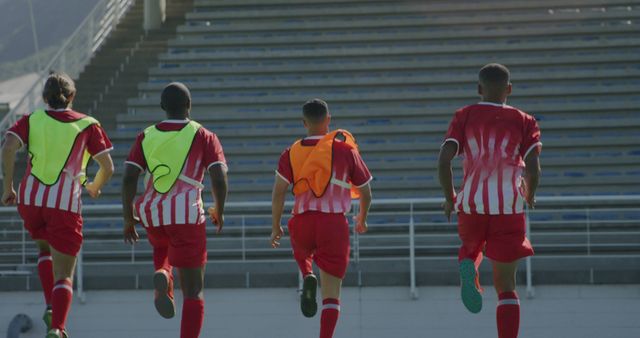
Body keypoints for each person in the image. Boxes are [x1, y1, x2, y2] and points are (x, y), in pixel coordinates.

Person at [2, 72, 114, 338]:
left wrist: (8, 186)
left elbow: (7, 147)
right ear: (72, 96)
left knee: (44, 248)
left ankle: (50, 305)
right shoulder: (87, 124)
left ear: (44, 98)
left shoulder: (33, 118)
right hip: (63, 203)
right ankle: (58, 328)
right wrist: (94, 186)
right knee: (65, 273)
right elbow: (108, 167)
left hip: (31, 200)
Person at [438, 63, 542, 338]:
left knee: (470, 248)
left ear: (479, 89)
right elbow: (534, 168)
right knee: (506, 286)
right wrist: (529, 195)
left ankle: (469, 267)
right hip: (508, 206)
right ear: (509, 89)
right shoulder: (525, 120)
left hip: (472, 203)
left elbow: (444, 160)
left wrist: (450, 198)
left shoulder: (465, 115)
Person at [121, 82, 228, 338]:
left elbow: (128, 178)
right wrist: (219, 210)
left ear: (162, 108)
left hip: (151, 212)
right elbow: (219, 177)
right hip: (186, 213)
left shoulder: (146, 135)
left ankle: (163, 274)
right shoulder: (204, 135)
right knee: (193, 292)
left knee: (162, 245)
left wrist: (128, 218)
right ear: (189, 106)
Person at [271, 98, 372, 338]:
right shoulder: (345, 150)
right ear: (328, 120)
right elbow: (366, 192)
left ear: (304, 122)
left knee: (301, 248)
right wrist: (362, 218)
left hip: (302, 220)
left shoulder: (290, 152)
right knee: (332, 295)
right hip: (333, 223)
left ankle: (307, 275)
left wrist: (275, 225)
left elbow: (278, 192)